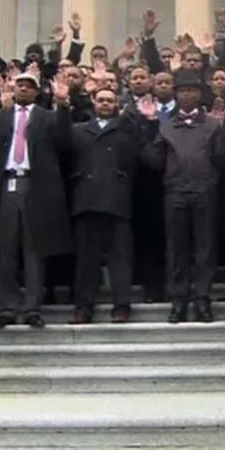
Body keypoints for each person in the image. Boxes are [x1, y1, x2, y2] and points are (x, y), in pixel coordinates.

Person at [0, 72, 72, 330]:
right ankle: (8, 307)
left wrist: (64, 105)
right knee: (6, 249)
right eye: (19, 85)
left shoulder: (47, 117)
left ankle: (33, 307)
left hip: (35, 185)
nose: (23, 90)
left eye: (29, 86)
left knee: (34, 250)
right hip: (4, 185)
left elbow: (64, 140)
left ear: (37, 92)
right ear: (12, 89)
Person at [143, 69, 225, 324]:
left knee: (205, 248)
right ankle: (178, 300)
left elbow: (223, 161)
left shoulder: (212, 123)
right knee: (176, 249)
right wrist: (149, 127)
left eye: (191, 90)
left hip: (204, 192)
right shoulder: (164, 124)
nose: (187, 94)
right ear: (176, 94)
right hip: (175, 193)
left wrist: (224, 130)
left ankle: (202, 299)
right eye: (182, 90)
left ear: (200, 94)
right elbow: (152, 163)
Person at [67, 88, 154, 323]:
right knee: (86, 260)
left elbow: (148, 158)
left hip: (118, 199)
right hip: (86, 200)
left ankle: (122, 305)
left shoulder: (127, 130)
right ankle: (83, 307)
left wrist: (148, 122)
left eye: (110, 100)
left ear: (117, 104)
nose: (105, 103)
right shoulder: (79, 131)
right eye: (101, 100)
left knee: (120, 258)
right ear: (94, 102)